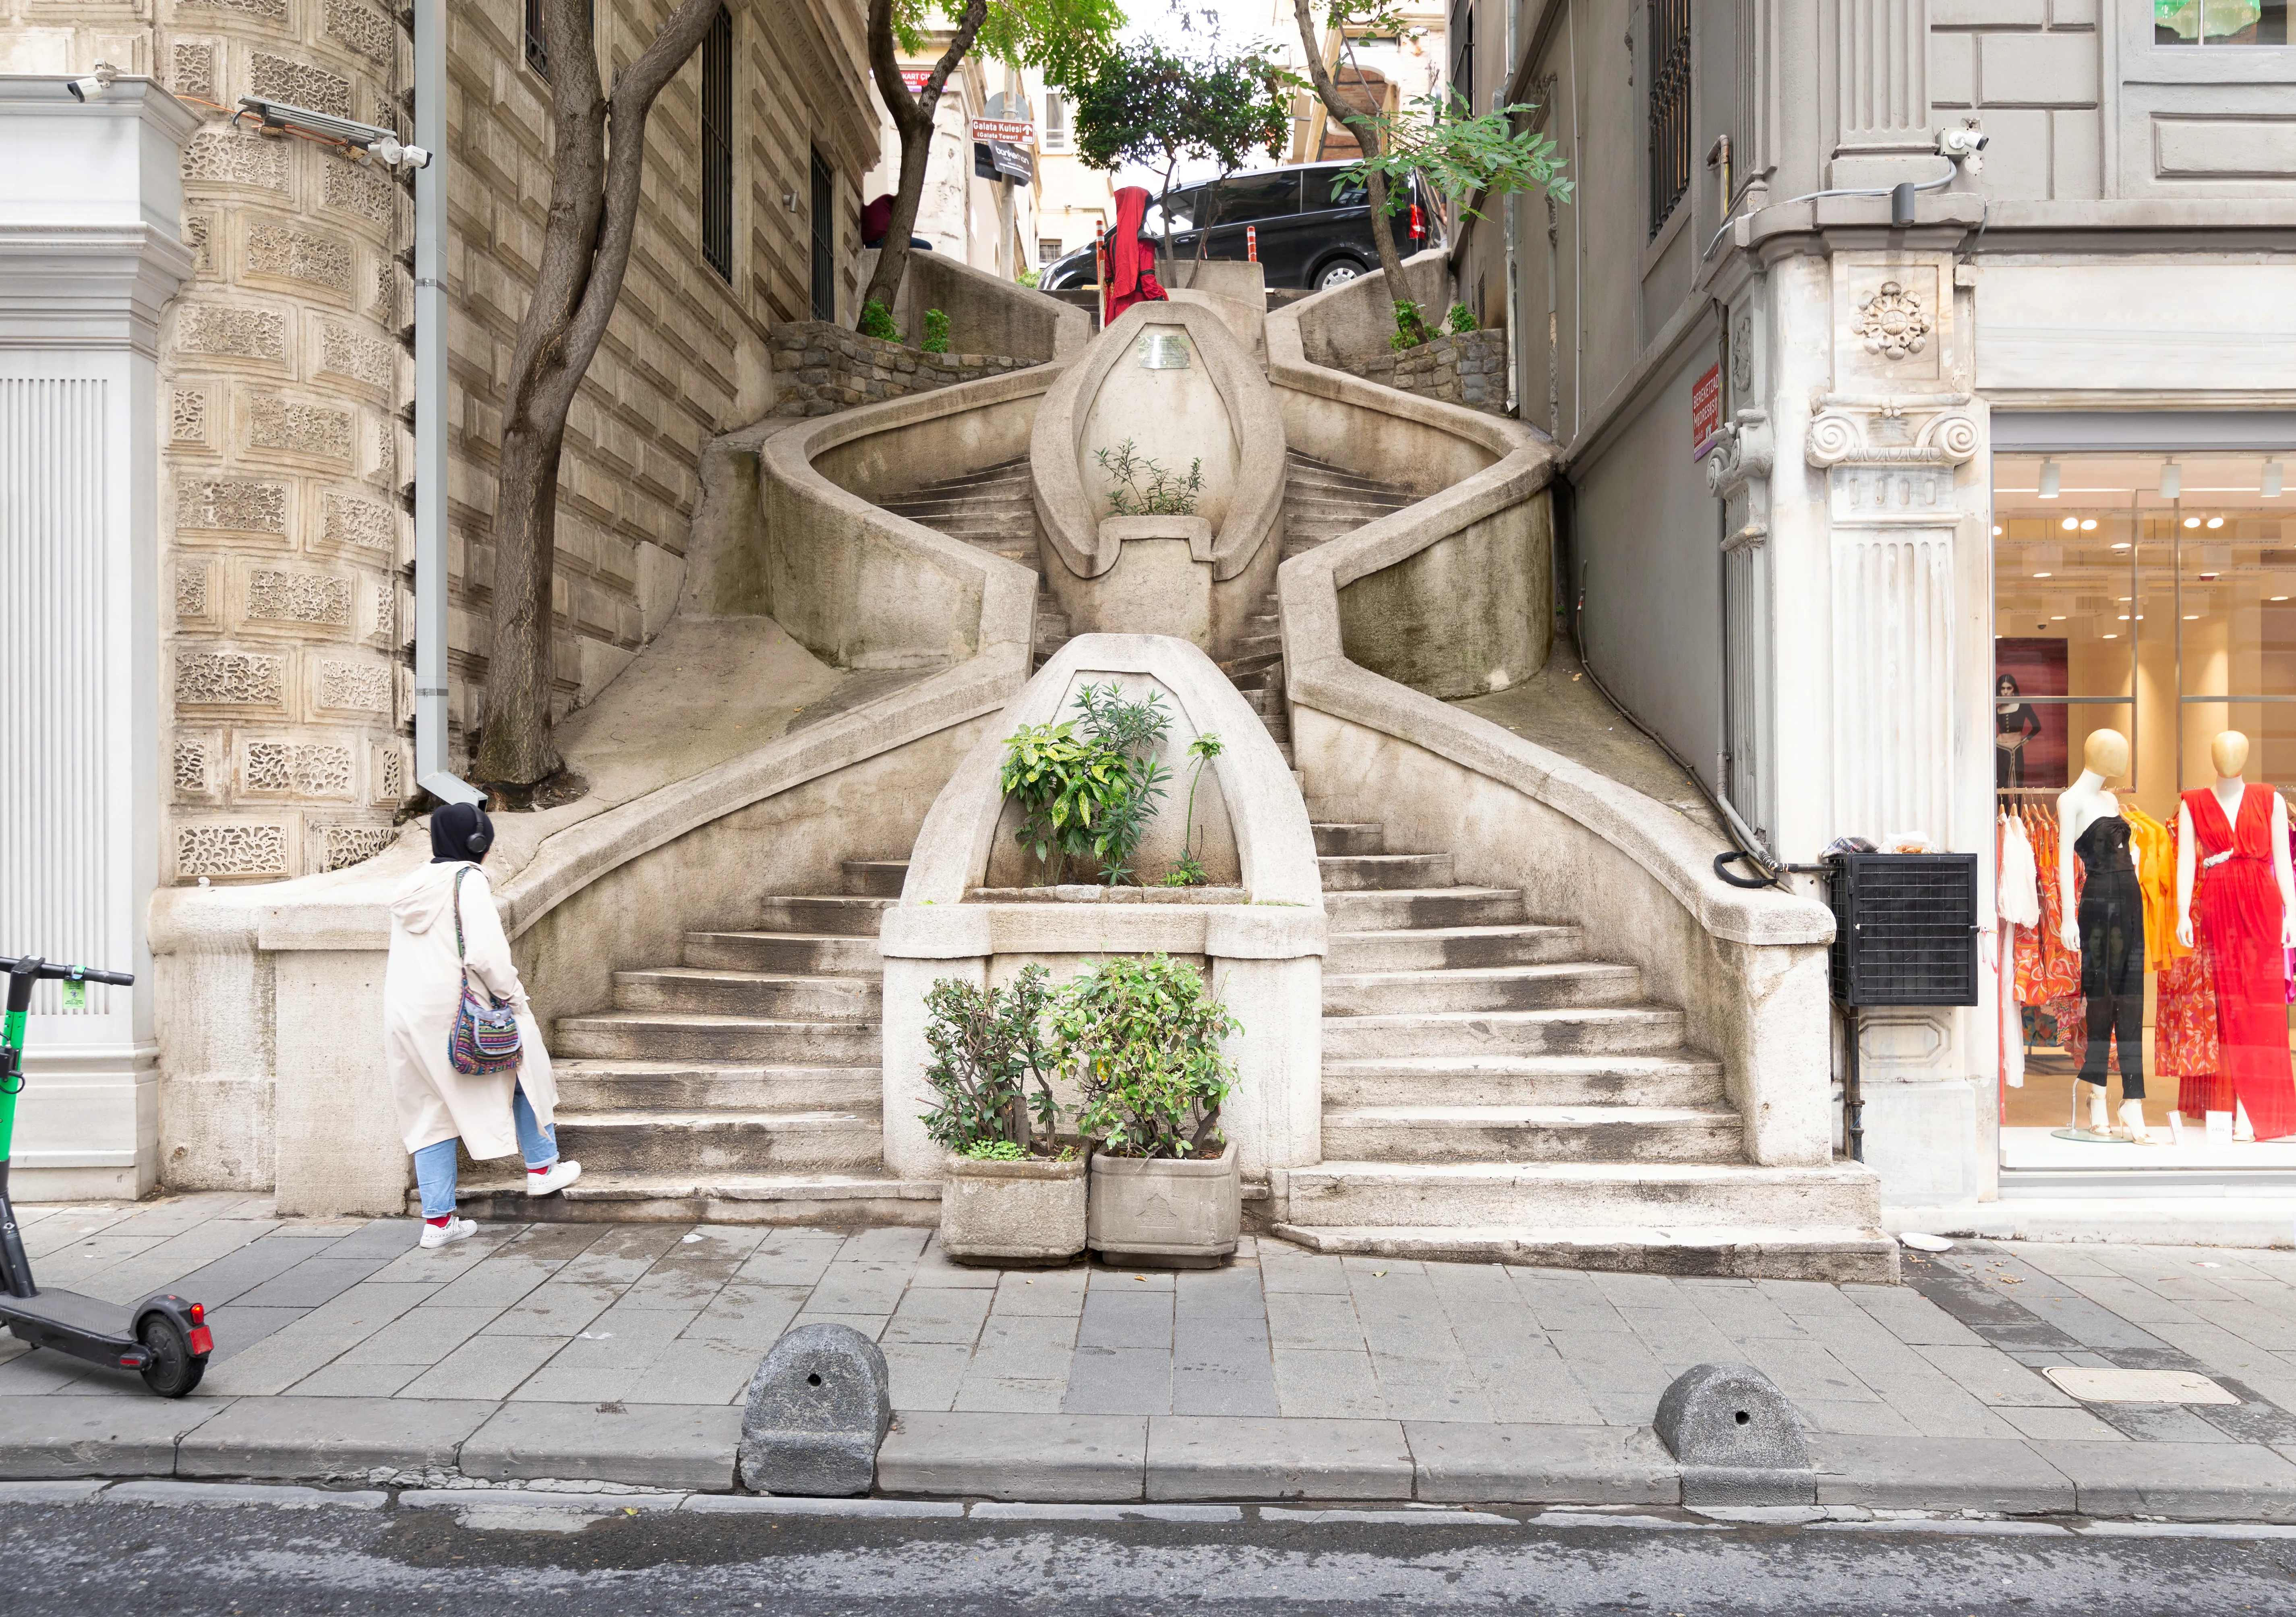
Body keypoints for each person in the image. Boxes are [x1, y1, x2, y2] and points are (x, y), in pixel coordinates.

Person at [383, 801, 579, 1248]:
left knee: (429, 1108)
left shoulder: (410, 885)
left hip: (404, 1014)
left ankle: (438, 1223)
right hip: (457, 1009)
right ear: (478, 842)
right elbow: (486, 956)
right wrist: (515, 998)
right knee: (523, 1060)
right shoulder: (466, 881)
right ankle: (543, 1166)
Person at [1104, 185, 1169, 321]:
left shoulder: (1110, 242)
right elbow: (1147, 279)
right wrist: (1161, 302)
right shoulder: (1144, 241)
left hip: (1117, 307)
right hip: (1139, 305)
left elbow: (1109, 280)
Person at [1996, 673, 2043, 788]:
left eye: (2009, 688)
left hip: (2016, 748)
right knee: (2001, 784)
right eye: (2003, 688)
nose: (2006, 692)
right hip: (1999, 748)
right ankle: (2001, 807)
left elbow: (2037, 726)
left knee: (2018, 783)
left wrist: (2026, 740)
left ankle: (2019, 807)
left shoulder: (2022, 706)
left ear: (2014, 689)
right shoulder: (1997, 709)